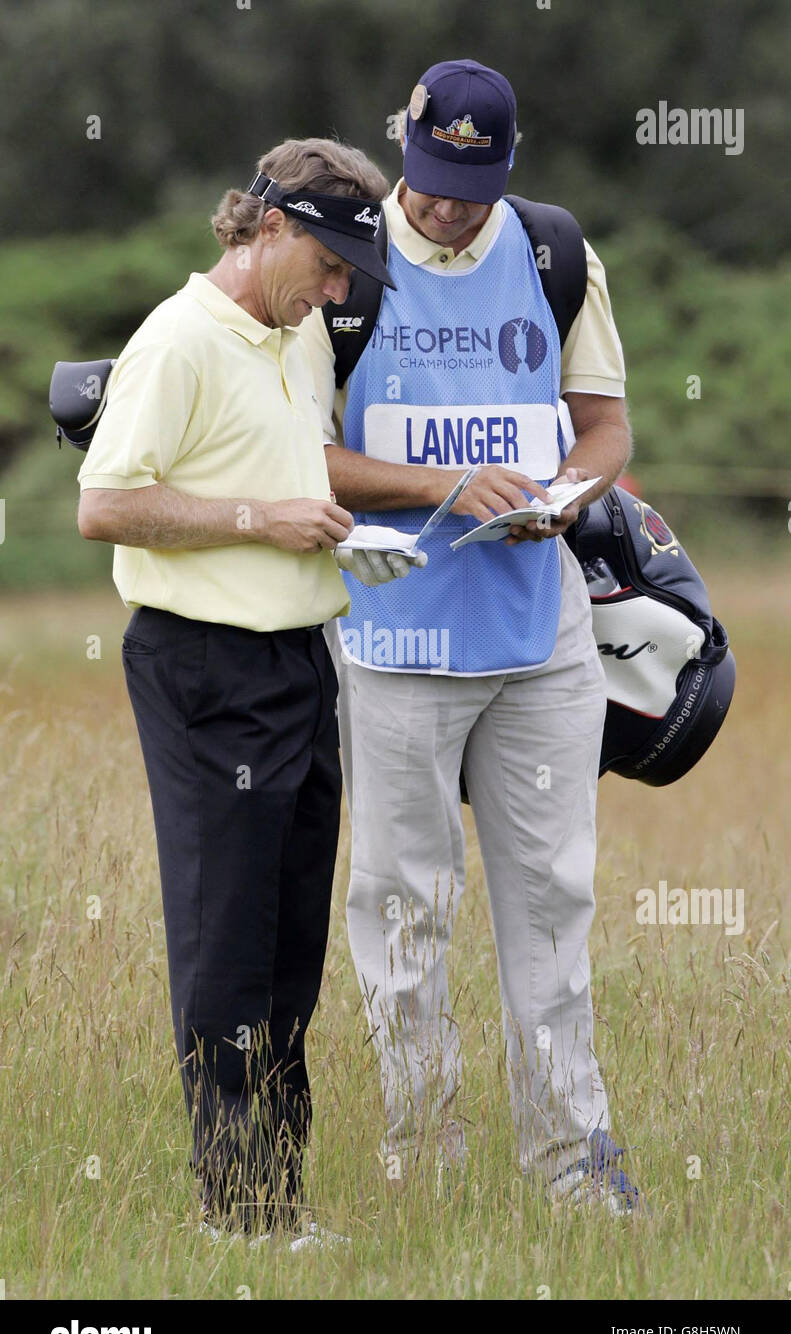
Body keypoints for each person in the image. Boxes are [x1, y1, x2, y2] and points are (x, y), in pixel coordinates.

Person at [298, 62, 642, 1211]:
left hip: (538, 641)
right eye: (433, 181)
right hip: (394, 644)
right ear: (402, 145)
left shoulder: (552, 255)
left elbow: (601, 426)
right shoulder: (343, 263)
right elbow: (305, 456)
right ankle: (426, 1169)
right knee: (404, 911)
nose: (448, 206)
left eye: (473, 185)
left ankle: (573, 1168)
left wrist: (563, 494)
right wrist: (448, 485)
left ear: (507, 166)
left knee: (550, 898)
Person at [76, 138, 414, 1244]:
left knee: (286, 944)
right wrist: (256, 522)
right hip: (201, 664)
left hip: (295, 660)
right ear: (265, 225)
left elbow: (292, 459)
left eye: (346, 277)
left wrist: (340, 533)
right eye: (324, 264)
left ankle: (279, 1197)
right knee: (227, 938)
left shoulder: (300, 329)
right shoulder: (176, 341)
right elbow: (105, 505)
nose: (334, 292)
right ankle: (241, 1210)